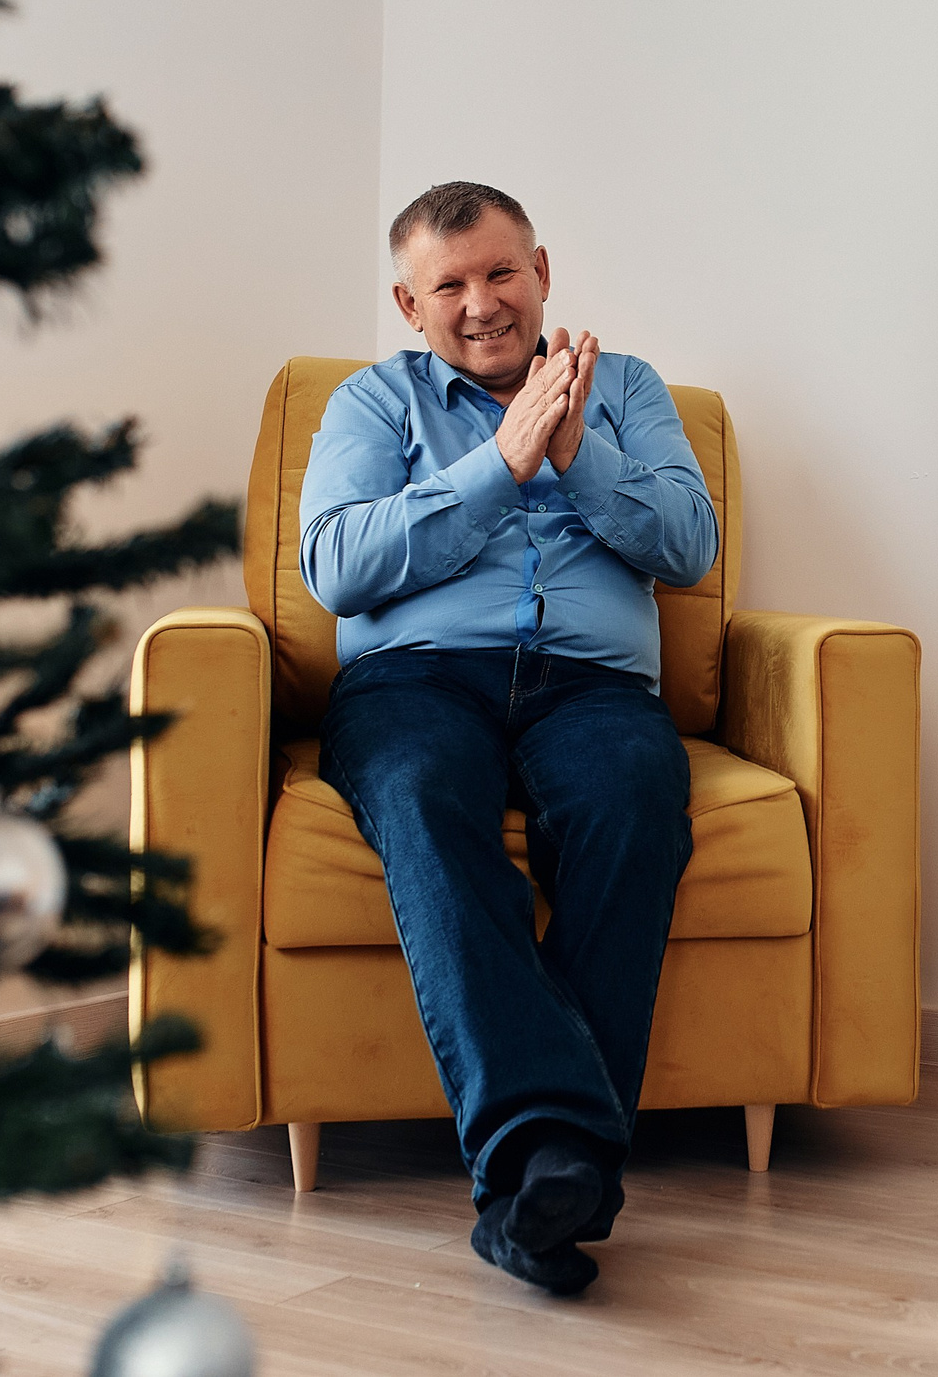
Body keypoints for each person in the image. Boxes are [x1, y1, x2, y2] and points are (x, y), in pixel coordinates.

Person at [298, 181, 718, 1296]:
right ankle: (557, 1156)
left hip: (593, 685)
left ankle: (538, 1178)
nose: (481, 303)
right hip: (415, 681)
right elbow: (337, 563)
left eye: (500, 273)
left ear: (541, 269)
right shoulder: (371, 403)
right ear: (408, 300)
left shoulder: (623, 387)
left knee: (632, 796)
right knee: (429, 796)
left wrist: (580, 450)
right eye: (450, 283)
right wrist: (501, 463)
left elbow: (687, 547)